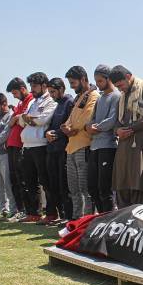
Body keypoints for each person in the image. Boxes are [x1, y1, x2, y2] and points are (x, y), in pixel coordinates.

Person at [111, 65, 143, 207]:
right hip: (124, 145)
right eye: (117, 87)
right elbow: (117, 122)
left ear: (129, 77)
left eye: (121, 85)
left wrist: (128, 129)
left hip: (142, 143)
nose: (120, 89)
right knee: (122, 185)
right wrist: (118, 131)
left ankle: (140, 224)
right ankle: (124, 223)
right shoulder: (122, 98)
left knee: (139, 184)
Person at [17, 72, 57, 223]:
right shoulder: (32, 102)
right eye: (31, 86)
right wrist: (28, 119)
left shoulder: (50, 100)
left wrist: (28, 119)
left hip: (40, 145)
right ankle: (34, 212)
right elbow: (21, 121)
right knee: (29, 181)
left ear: (44, 86)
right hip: (27, 145)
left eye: (34, 86)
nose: (32, 89)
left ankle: (52, 213)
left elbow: (42, 120)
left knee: (45, 181)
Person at [62, 65, 100, 220]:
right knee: (74, 188)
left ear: (83, 79)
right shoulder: (79, 97)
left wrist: (72, 128)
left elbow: (87, 118)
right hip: (71, 147)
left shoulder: (94, 95)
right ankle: (76, 220)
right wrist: (65, 127)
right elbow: (69, 120)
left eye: (73, 83)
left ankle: (87, 220)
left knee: (85, 188)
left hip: (84, 146)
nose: (71, 86)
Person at [86, 64, 120, 213]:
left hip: (108, 146)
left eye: (100, 81)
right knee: (92, 187)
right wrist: (89, 127)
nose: (98, 84)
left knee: (104, 187)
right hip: (94, 146)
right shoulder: (100, 99)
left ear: (109, 79)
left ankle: (108, 219)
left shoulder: (117, 96)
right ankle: (100, 218)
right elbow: (91, 119)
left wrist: (96, 127)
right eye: (96, 81)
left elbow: (112, 120)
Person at [45, 77, 74, 224]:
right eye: (49, 92)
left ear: (62, 89)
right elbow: (52, 125)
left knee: (65, 185)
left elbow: (69, 126)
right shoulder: (57, 105)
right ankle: (61, 215)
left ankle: (68, 216)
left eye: (53, 91)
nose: (51, 95)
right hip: (52, 150)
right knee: (54, 184)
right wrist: (48, 133)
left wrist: (55, 133)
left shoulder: (69, 102)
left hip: (63, 149)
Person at [6, 77, 34, 221]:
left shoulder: (30, 101)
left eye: (15, 93)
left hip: (21, 145)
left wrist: (17, 118)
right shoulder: (20, 103)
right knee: (15, 179)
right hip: (12, 144)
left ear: (23, 89)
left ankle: (28, 210)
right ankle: (20, 209)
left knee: (23, 179)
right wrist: (16, 118)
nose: (15, 96)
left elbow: (22, 121)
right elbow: (11, 123)